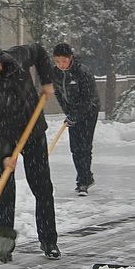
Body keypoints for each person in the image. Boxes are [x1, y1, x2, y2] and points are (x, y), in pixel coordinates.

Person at [0, 37, 59, 261]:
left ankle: (49, 242)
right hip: (4, 139)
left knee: (42, 188)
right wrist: (3, 153)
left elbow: (38, 50)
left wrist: (47, 81)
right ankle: (3, 245)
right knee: (5, 193)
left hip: (32, 132)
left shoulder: (17, 58)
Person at [51, 43, 101, 196]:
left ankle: (83, 181)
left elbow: (88, 98)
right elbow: (59, 94)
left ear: (70, 58)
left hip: (89, 111)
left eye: (63, 61)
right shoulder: (55, 73)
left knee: (84, 146)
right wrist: (68, 112)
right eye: (57, 61)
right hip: (73, 112)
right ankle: (85, 176)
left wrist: (76, 115)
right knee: (75, 147)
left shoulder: (82, 73)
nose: (61, 65)